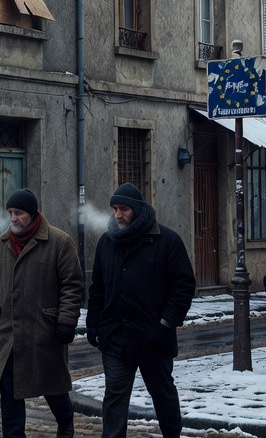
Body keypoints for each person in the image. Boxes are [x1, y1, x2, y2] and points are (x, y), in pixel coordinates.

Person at [85, 182, 196, 438]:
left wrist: (165, 323)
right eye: (115, 209)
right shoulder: (106, 242)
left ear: (137, 209)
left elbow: (183, 287)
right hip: (115, 337)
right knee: (114, 397)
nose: (118, 214)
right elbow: (97, 288)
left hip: (154, 337)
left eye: (123, 209)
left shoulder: (166, 240)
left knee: (163, 395)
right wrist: (93, 324)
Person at [0, 189, 84, 438]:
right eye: (10, 212)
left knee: (52, 385)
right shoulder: (2, 244)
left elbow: (72, 285)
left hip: (43, 329)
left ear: (32, 214)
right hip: (8, 332)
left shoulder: (58, 242)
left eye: (19, 213)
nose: (13, 218)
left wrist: (66, 321)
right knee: (9, 389)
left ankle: (65, 421)